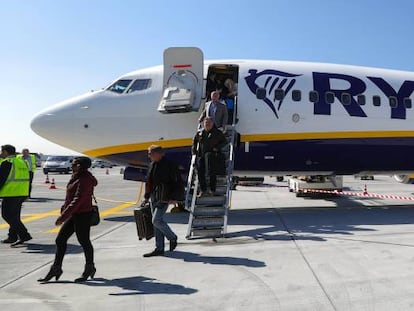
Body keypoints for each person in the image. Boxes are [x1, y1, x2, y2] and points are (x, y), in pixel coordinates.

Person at [38, 157, 98, 283]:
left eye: (74, 164)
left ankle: (89, 267)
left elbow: (78, 200)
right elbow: (70, 198)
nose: (72, 165)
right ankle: (56, 268)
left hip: (82, 214)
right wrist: (65, 210)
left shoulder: (85, 179)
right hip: (74, 214)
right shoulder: (76, 176)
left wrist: (63, 216)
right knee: (60, 240)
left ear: (81, 166)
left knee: (84, 241)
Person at [142, 145, 179, 257]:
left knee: (156, 220)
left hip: (165, 196)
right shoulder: (152, 165)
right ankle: (159, 248)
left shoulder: (169, 165)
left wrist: (174, 197)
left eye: (150, 153)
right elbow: (149, 182)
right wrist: (147, 196)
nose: (149, 155)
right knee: (157, 224)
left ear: (158, 153)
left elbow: (176, 182)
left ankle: (172, 237)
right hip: (154, 196)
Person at [0, 144, 32, 246]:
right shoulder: (23, 162)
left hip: (11, 193)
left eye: (2, 151)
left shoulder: (7, 163)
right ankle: (12, 236)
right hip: (21, 193)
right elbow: (29, 177)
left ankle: (24, 235)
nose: (1, 153)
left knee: (6, 215)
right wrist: (27, 193)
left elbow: (1, 179)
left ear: (5, 152)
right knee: (14, 217)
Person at [192, 117, 227, 197]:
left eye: (209, 123)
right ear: (203, 124)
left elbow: (224, 142)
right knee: (200, 173)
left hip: (212, 156)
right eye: (206, 123)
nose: (207, 125)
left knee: (212, 173)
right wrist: (194, 152)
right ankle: (203, 190)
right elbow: (194, 142)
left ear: (212, 124)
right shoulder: (200, 133)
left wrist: (217, 148)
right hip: (202, 156)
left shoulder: (217, 133)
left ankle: (212, 190)